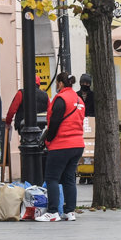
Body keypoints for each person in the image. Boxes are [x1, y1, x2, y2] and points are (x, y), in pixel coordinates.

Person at [40, 72, 85, 223]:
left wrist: (48, 140)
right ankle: (69, 211)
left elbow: (54, 122)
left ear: (60, 83)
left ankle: (52, 212)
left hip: (62, 144)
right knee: (69, 179)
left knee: (52, 178)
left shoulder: (61, 99)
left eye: (57, 83)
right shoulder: (79, 100)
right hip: (78, 144)